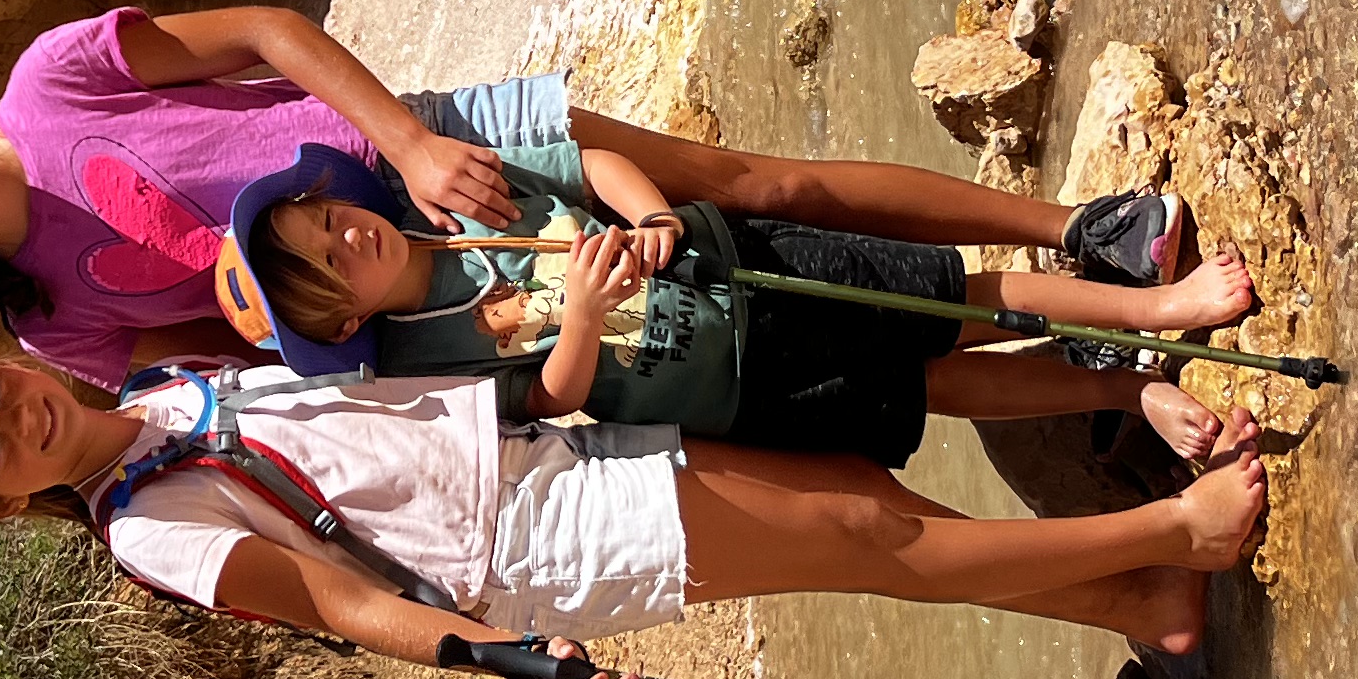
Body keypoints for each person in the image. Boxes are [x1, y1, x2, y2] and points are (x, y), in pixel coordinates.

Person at [0, 3, 1251, 390]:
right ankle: (1080, 351)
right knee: (742, 346)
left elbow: (267, 34)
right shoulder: (53, 332)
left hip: (423, 159)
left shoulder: (51, 82)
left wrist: (401, 141)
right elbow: (233, 368)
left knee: (743, 188)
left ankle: (1075, 233)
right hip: (409, 303)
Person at [0, 343, 1269, 679]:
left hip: (537, 446)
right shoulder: (146, 534)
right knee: (861, 530)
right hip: (532, 550)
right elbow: (343, 608)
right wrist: (510, 660)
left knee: (868, 506)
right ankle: (1176, 534)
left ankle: (1138, 608)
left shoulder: (163, 385)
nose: (12, 416)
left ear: (10, 363)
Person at [221, 136, 1264, 473]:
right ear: (348, 323)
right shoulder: (421, 361)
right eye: (333, 264)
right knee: (928, 388)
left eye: (326, 219)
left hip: (736, 264)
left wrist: (652, 218)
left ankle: (1153, 310)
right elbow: (545, 400)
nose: (349, 235)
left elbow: (590, 162)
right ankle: (1128, 400)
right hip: (736, 387)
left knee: (954, 297)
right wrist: (578, 317)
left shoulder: (452, 196)